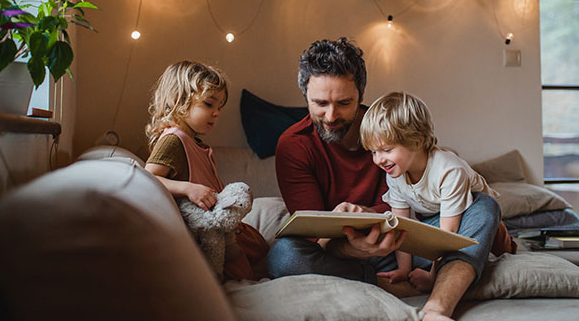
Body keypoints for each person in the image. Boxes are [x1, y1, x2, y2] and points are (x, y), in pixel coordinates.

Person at [267, 38, 500, 321]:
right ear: (305, 96)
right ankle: (393, 285)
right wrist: (352, 246)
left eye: (343, 103)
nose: (331, 116)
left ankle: (438, 305)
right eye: (320, 103)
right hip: (345, 252)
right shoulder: (293, 145)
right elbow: (315, 237)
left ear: (361, 94)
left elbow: (427, 215)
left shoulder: (389, 130)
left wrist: (369, 216)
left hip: (408, 241)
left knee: (483, 206)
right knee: (284, 255)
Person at [359, 91, 516, 295]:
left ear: (416, 140)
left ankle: (508, 248)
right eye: (373, 152)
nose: (378, 160)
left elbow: (447, 235)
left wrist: (433, 277)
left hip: (473, 216)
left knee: (502, 251)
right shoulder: (394, 174)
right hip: (436, 219)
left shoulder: (448, 170)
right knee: (390, 243)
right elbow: (400, 225)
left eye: (386, 150)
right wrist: (404, 270)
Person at [144, 60, 268, 282]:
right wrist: (187, 188)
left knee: (260, 245)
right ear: (177, 101)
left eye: (219, 106)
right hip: (206, 234)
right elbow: (148, 178)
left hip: (221, 224)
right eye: (209, 104)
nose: (217, 113)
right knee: (250, 263)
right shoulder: (174, 140)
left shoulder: (194, 141)